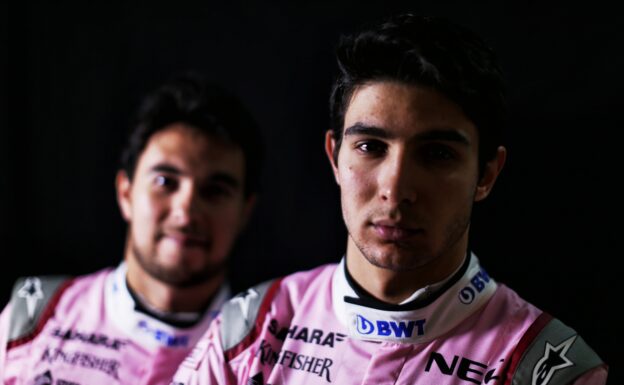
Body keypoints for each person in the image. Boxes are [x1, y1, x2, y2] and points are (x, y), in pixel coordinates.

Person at [171, 14, 608, 385]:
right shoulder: (249, 327)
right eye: (370, 147)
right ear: (334, 157)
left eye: (436, 154)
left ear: (486, 174)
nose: (396, 189)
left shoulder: (550, 368)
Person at [0, 72, 262, 384]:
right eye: (165, 181)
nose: (186, 211)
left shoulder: (266, 351)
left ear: (245, 211)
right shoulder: (33, 318)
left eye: (215, 190)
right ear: (125, 193)